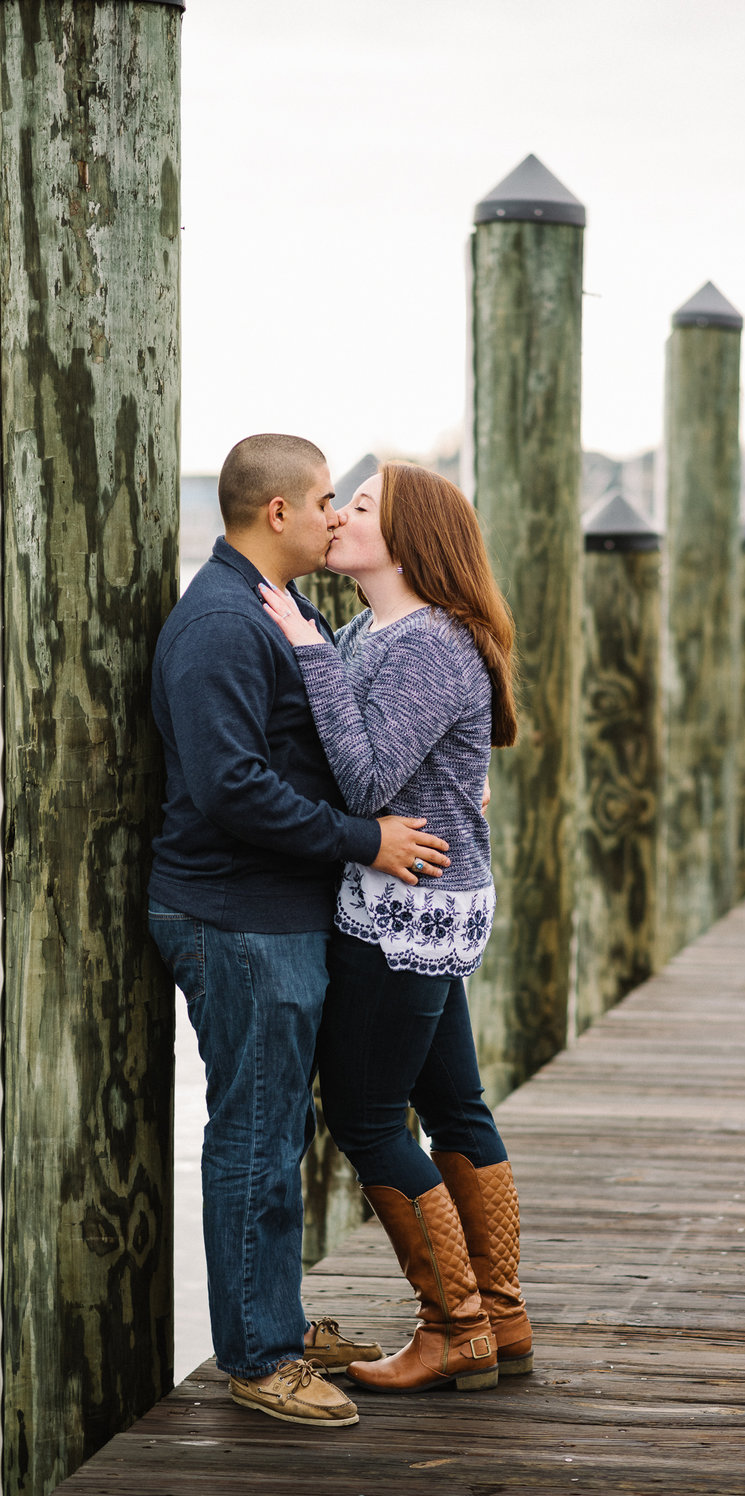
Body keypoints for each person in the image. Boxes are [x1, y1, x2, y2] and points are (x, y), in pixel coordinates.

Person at [148, 434, 451, 1427]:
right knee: (254, 1134)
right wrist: (365, 839)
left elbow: (329, 731)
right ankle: (258, 1355)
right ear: (275, 512)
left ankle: (274, 1316)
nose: (336, 514)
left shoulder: (281, 607)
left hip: (278, 911)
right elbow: (233, 788)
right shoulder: (221, 624)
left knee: (282, 1127)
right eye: (325, 499)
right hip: (233, 915)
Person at [260, 460, 532, 1396]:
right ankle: (500, 1314)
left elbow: (368, 780)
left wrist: (303, 647)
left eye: (360, 507)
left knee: (368, 1117)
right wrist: (321, 646)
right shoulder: (381, 627)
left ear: (407, 540)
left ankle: (453, 1325)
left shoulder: (426, 645)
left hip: (403, 908)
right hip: (420, 903)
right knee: (456, 1105)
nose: (337, 517)